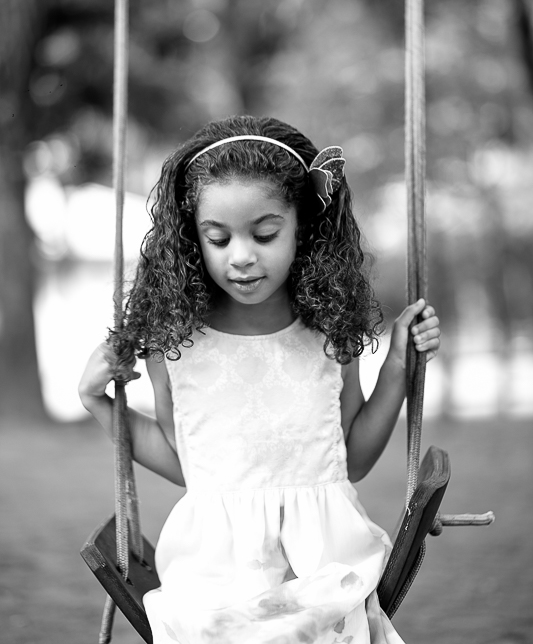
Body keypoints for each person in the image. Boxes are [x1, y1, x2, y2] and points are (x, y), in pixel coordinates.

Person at [79, 115, 441, 644]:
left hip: (324, 567)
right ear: (193, 240)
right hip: (214, 578)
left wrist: (397, 368)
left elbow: (352, 458)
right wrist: (96, 400)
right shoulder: (174, 345)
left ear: (301, 227)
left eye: (265, 233)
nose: (242, 256)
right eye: (218, 238)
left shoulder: (327, 331)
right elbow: (188, 466)